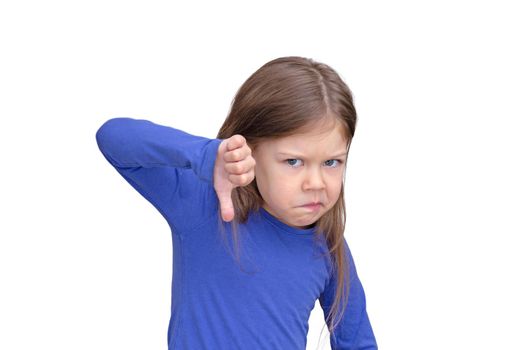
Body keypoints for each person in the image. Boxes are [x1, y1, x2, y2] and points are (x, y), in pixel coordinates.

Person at [95, 56, 377, 350]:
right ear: (249, 150)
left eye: (332, 162)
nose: (316, 183)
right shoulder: (203, 203)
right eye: (293, 161)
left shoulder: (330, 246)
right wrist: (207, 154)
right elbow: (113, 137)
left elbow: (357, 343)